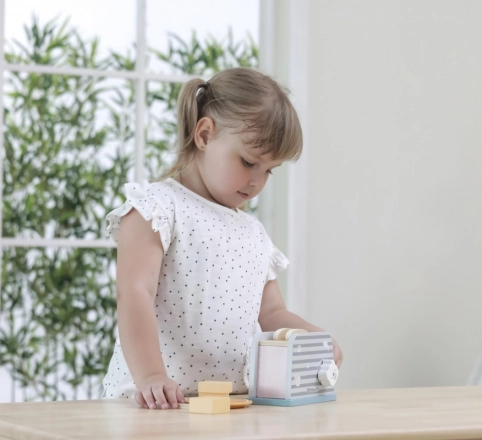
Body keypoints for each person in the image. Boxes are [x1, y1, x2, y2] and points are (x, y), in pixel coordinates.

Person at [102, 67, 343, 410]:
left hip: (228, 407)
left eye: (269, 170)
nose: (257, 181)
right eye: (248, 162)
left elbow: (272, 312)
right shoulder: (158, 208)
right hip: (151, 405)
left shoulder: (253, 233)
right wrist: (151, 377)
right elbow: (134, 294)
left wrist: (315, 337)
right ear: (204, 135)